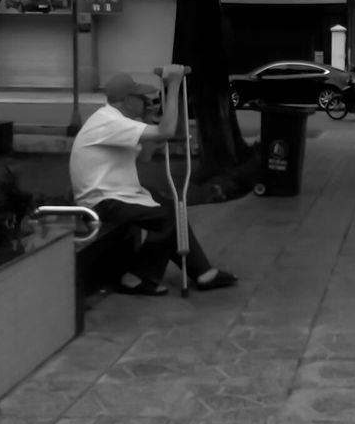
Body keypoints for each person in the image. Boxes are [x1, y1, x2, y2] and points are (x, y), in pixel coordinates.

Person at [69, 72, 238, 296]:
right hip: (101, 201)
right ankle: (136, 276)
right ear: (126, 100)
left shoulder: (120, 120)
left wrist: (147, 118)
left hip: (117, 193)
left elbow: (146, 156)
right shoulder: (110, 121)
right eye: (142, 98)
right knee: (167, 217)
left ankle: (203, 272)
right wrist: (174, 85)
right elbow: (165, 131)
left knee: (170, 206)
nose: (148, 102)